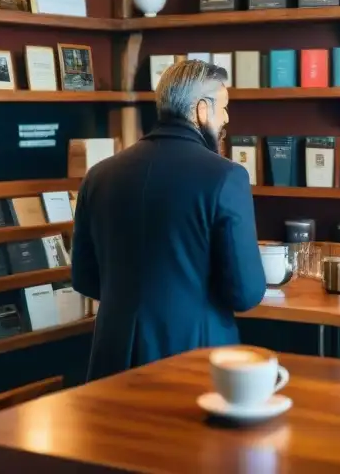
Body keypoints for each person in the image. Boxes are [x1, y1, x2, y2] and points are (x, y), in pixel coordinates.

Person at [70, 59, 266, 382]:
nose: (227, 117)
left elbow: (85, 279)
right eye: (224, 107)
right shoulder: (226, 177)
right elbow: (246, 293)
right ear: (202, 110)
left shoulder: (98, 176)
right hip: (196, 359)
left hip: (113, 357)